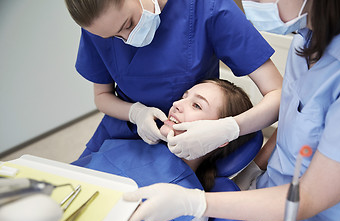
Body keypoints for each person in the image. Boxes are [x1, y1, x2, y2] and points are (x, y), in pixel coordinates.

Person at [120, 0, 340, 221]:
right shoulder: (305, 43)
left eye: (196, 104)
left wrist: (195, 202)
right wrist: (254, 169)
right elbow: (294, 123)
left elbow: (309, 197)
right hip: (267, 197)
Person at [64, 0, 282, 162]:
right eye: (113, 37)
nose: (127, 40)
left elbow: (279, 93)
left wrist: (228, 128)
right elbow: (102, 96)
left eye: (129, 24)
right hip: (120, 135)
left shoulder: (208, 8)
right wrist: (135, 113)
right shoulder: (101, 25)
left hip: (190, 146)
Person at [72, 78, 255, 221]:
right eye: (184, 96)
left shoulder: (190, 207)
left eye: (196, 105)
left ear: (219, 136)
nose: (176, 103)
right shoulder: (125, 144)